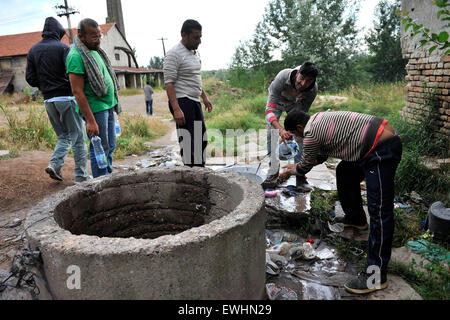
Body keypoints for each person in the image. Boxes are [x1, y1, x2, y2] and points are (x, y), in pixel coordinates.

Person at [280, 110, 403, 294]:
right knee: (345, 172)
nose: (299, 138)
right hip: (371, 143)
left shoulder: (310, 133)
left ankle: (376, 275)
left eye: (297, 135)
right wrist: (297, 166)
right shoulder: (318, 118)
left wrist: (292, 170)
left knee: (379, 210)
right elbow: (320, 156)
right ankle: (356, 219)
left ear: (299, 128)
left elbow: (305, 165)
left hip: (381, 148)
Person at [26, 17, 89, 184]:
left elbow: (30, 78)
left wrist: (45, 86)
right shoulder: (63, 48)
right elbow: (72, 74)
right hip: (66, 98)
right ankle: (82, 177)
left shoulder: (33, 50)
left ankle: (54, 164)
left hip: (48, 101)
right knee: (77, 137)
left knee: (63, 136)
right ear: (58, 32)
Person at [66, 18, 122, 178]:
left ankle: (107, 176)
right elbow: (77, 92)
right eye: (94, 37)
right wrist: (90, 120)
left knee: (110, 145)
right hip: (95, 110)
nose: (98, 40)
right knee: (99, 148)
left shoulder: (95, 51)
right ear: (81, 36)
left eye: (99, 36)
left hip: (108, 106)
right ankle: (100, 182)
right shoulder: (76, 56)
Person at [163, 19, 213, 167]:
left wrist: (204, 97)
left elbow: (195, 77)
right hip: (182, 101)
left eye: (200, 37)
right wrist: (176, 108)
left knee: (201, 138)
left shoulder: (195, 53)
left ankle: (199, 170)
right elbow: (169, 83)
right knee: (189, 141)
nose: (199, 41)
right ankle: (191, 175)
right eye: (195, 37)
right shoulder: (174, 54)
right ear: (184, 35)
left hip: (194, 100)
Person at [262, 62, 319, 190]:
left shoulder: (312, 90)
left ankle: (300, 175)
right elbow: (269, 111)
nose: (304, 84)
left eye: (309, 81)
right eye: (302, 78)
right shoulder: (283, 77)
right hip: (277, 103)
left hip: (294, 106)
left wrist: (290, 133)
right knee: (272, 133)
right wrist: (281, 130)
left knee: (300, 136)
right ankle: (273, 172)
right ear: (297, 73)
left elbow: (301, 118)